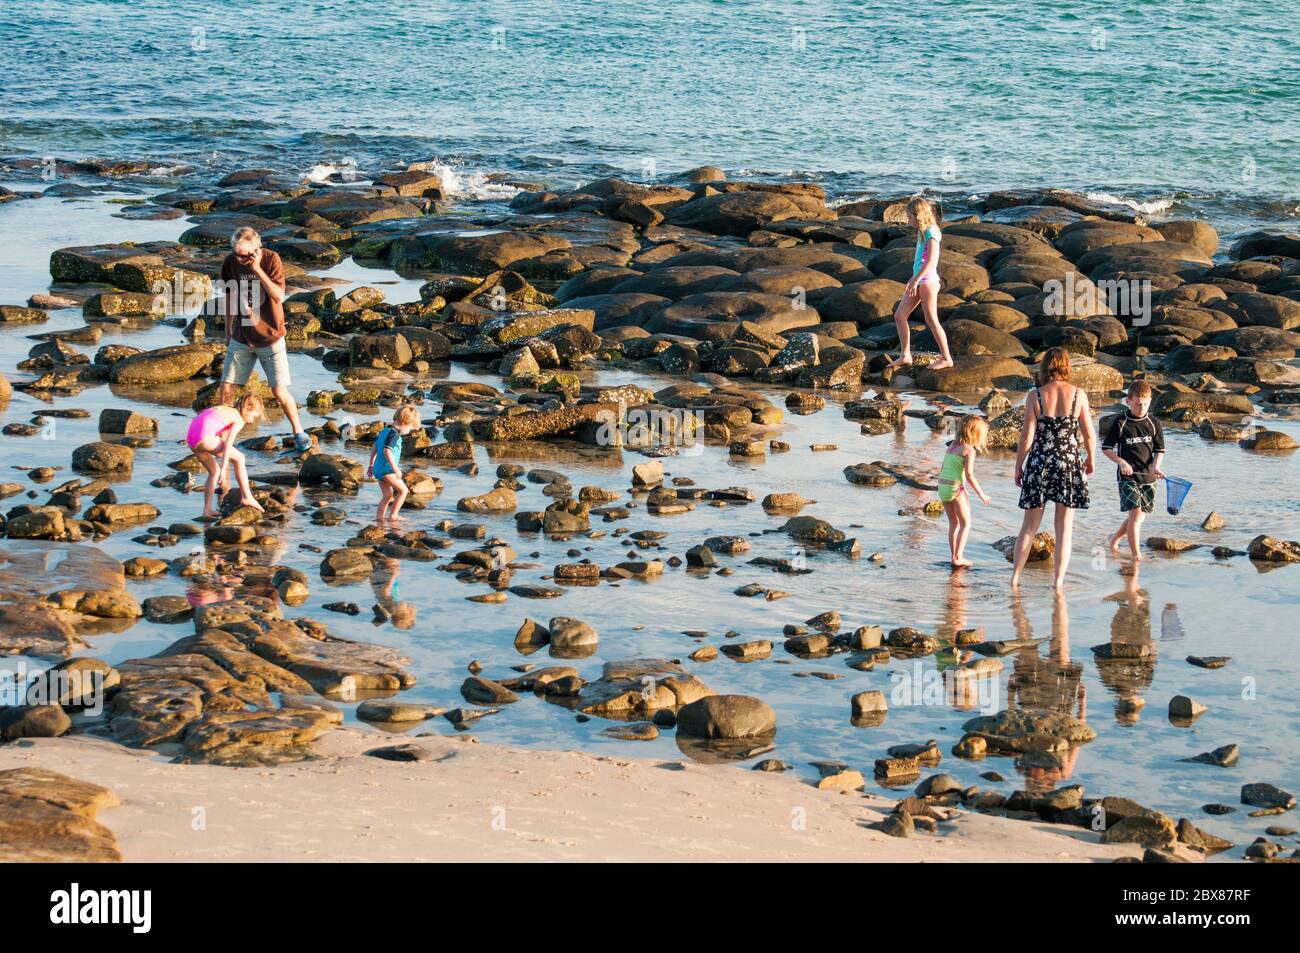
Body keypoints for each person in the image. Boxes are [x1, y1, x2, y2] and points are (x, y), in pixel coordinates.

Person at [217, 226, 313, 453]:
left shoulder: (271, 260)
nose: (240, 258)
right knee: (227, 387)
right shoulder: (231, 262)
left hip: (271, 336)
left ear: (257, 248)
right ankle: (221, 434)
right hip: (242, 335)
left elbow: (279, 295)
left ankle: (299, 432)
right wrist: (228, 329)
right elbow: (229, 295)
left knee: (279, 390)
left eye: (245, 254)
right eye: (236, 253)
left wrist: (256, 268)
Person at [1010, 347, 1097, 589]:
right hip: (1068, 462)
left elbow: (1027, 437)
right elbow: (1089, 435)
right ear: (1067, 366)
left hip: (1040, 462)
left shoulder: (1035, 395)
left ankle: (1015, 578)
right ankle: (1058, 583)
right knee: (1064, 528)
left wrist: (1019, 466)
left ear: (1045, 366)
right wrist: (1091, 458)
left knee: (1029, 526)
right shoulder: (1079, 395)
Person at [887, 196, 954, 372]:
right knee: (900, 315)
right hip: (919, 280)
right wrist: (914, 278)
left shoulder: (932, 233)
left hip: (928, 282)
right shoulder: (923, 231)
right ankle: (905, 355)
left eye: (909, 217)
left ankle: (947, 358)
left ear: (918, 215)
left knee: (932, 321)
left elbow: (931, 262)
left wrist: (915, 280)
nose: (908, 220)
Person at [1103, 380, 1166, 561]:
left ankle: (1115, 539)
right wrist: (1120, 462)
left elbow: (1159, 449)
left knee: (1138, 517)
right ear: (1128, 401)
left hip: (1148, 476)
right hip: (1127, 476)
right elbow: (1106, 448)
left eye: (1145, 404)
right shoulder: (1121, 422)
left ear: (1150, 401)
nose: (1142, 407)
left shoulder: (1154, 423)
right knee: (1136, 514)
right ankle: (1136, 555)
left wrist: (1156, 467)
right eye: (1138, 404)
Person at [186, 394, 265, 518]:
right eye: (253, 416)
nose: (252, 420)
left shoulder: (225, 409)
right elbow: (228, 444)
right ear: (248, 408)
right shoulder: (239, 419)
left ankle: (207, 510)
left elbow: (221, 437)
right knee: (240, 458)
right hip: (204, 437)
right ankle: (246, 496)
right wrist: (224, 469)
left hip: (191, 438)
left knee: (213, 472)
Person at [937, 414, 992, 569]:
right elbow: (969, 474)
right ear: (975, 433)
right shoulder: (969, 450)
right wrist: (981, 494)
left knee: (953, 523)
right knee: (966, 524)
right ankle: (958, 557)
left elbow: (945, 469)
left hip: (943, 486)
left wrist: (961, 488)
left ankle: (953, 556)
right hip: (955, 488)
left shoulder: (952, 446)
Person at [367, 405, 421, 522]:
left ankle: (379, 519)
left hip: (378, 469)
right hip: (387, 470)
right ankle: (393, 515)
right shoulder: (394, 434)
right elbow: (387, 451)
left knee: (387, 496)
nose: (409, 430)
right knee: (403, 491)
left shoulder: (385, 431)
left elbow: (375, 447)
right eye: (410, 427)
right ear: (405, 422)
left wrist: (371, 464)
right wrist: (395, 468)